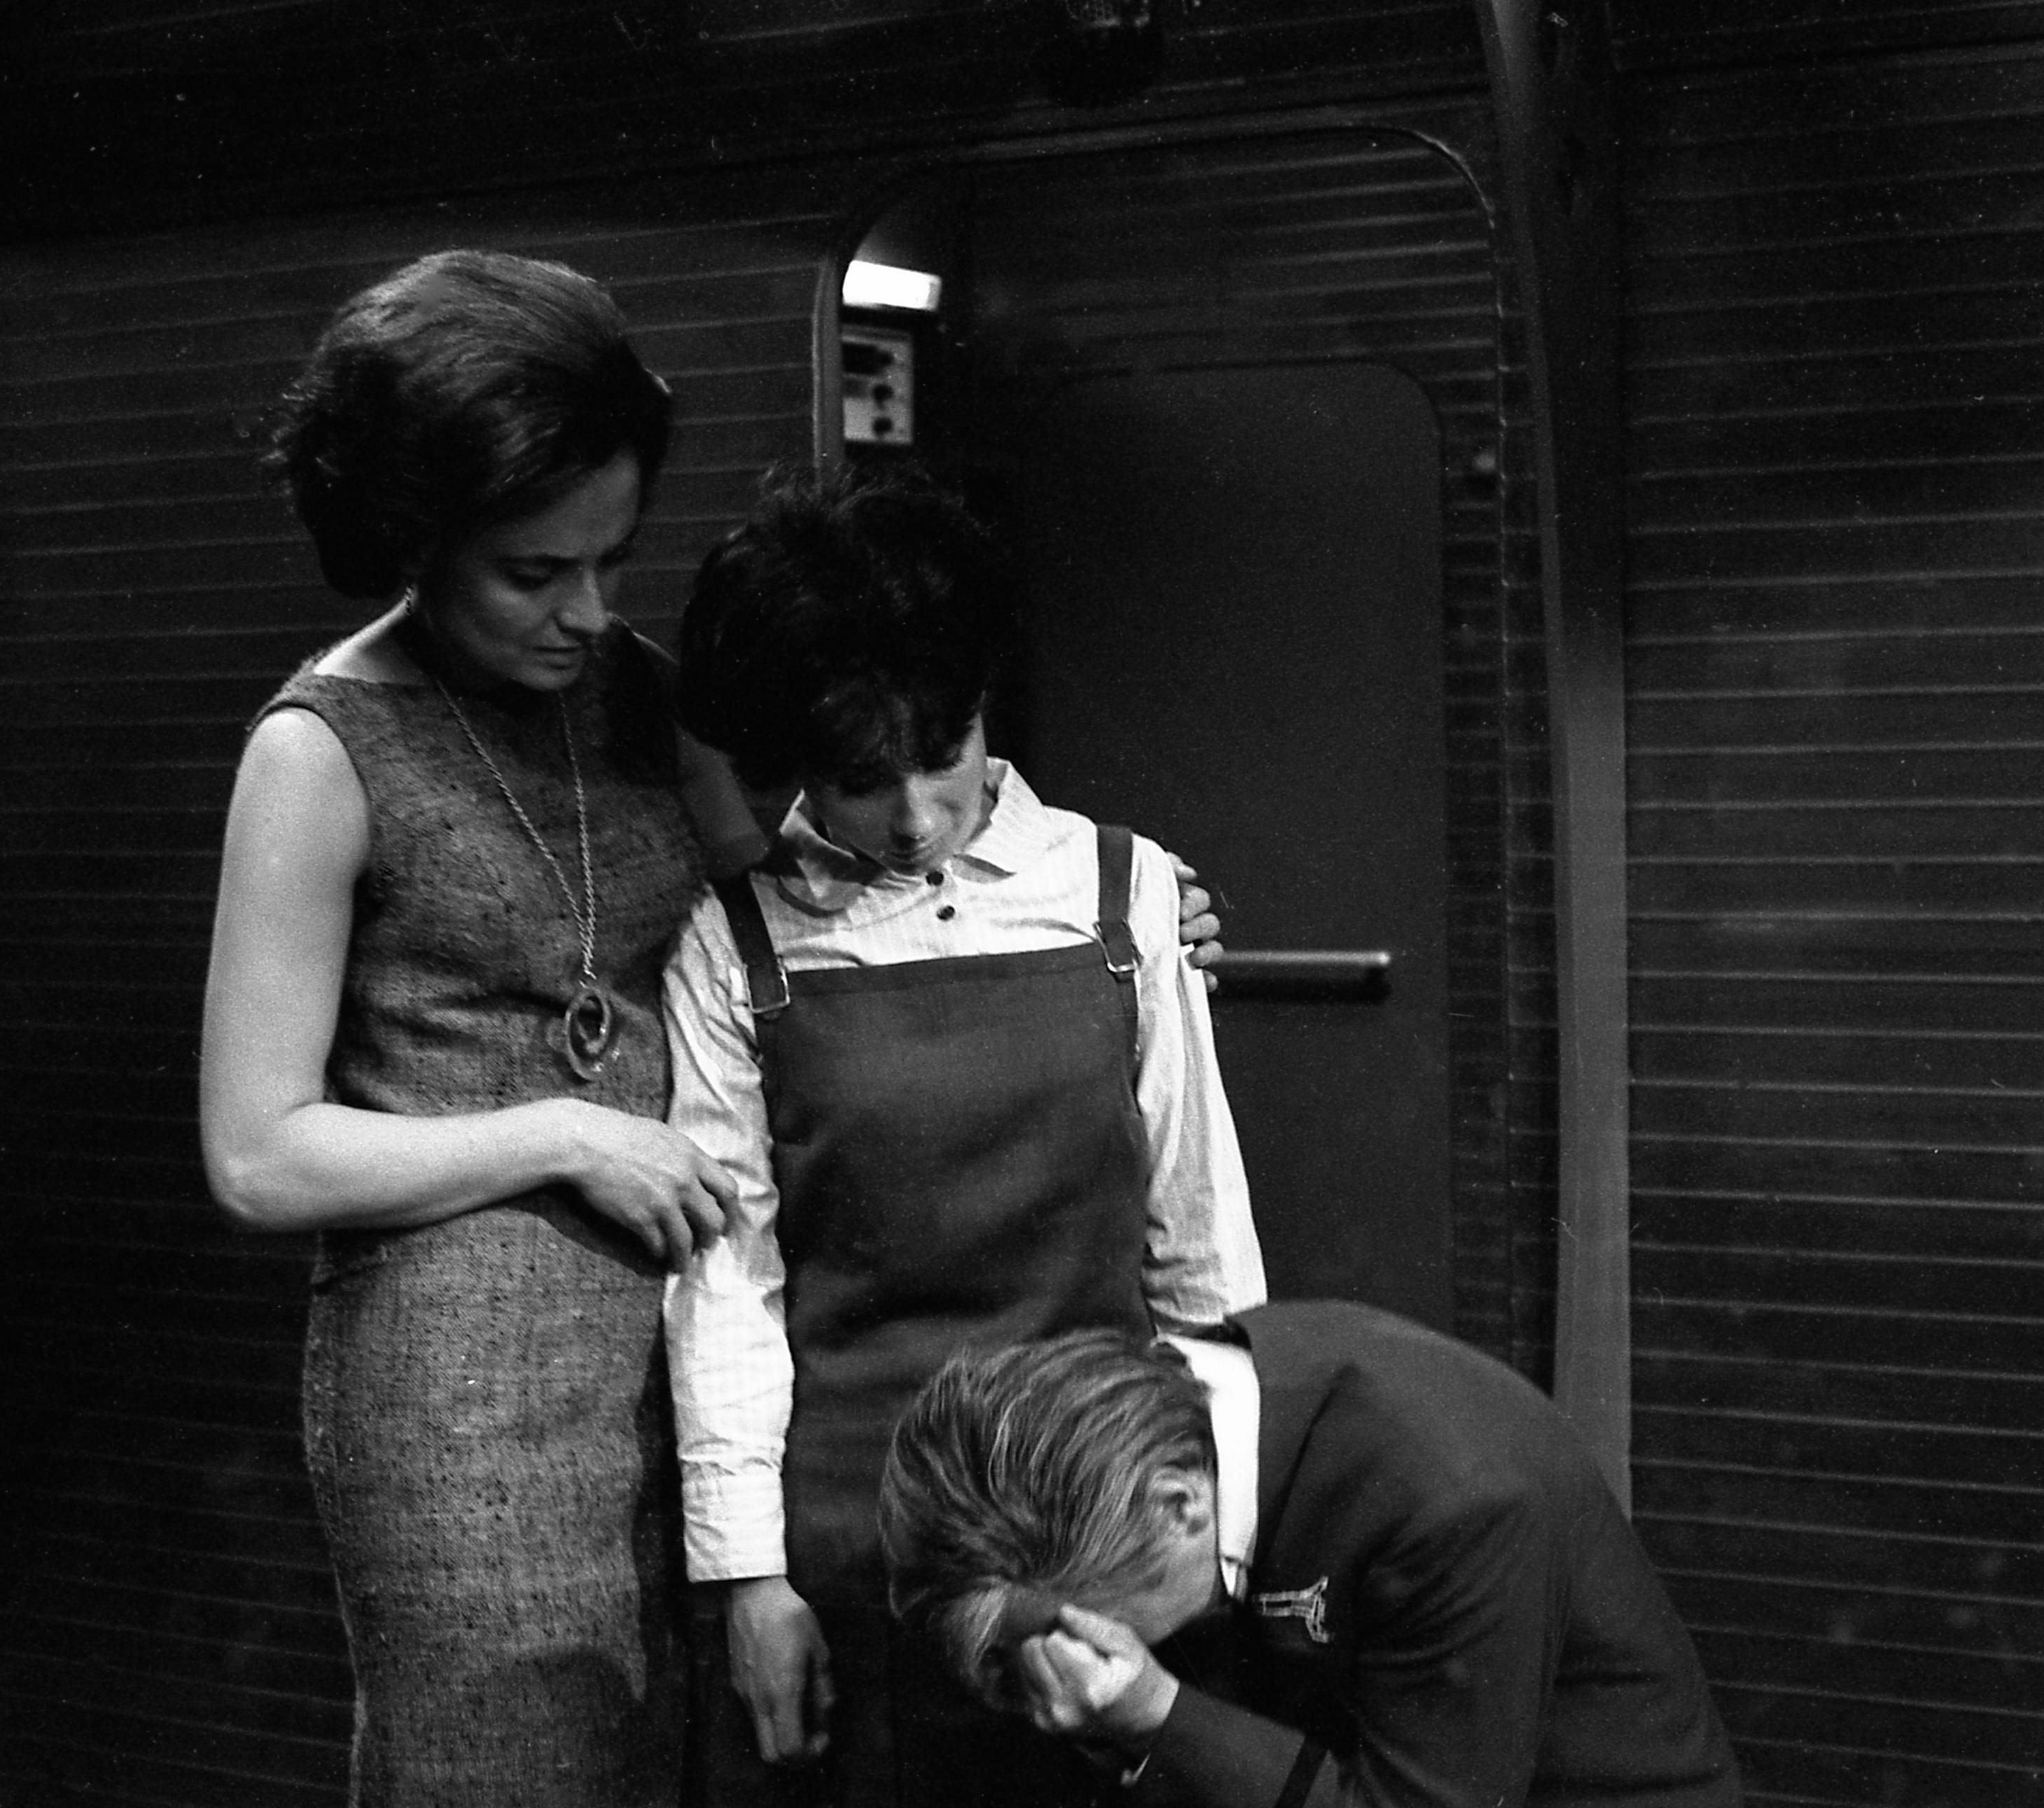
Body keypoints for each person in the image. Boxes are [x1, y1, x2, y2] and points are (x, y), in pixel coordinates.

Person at [198, 249, 741, 1806]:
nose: (589, 612)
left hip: (682, 1359)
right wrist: (564, 1133)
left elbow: (804, 932)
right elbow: (256, 1155)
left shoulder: (640, 691)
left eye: (614, 561)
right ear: (414, 538)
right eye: (533, 574)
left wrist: (1098, 907)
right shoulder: (319, 750)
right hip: (459, 1406)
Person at [660, 467, 1267, 1806]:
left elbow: (1204, 1247)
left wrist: (1219, 1544)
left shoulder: (1125, 894)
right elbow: (727, 1289)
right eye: (863, 781)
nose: (919, 818)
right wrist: (747, 1580)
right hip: (849, 1543)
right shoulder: (735, 943)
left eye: (943, 755)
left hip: (1097, 1521)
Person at [877, 1307, 1743, 1808]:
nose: (1052, 1671)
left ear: (1177, 1508)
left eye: (1066, 1625)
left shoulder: (1456, 1502)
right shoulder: (1169, 1426)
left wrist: (1156, 1714)